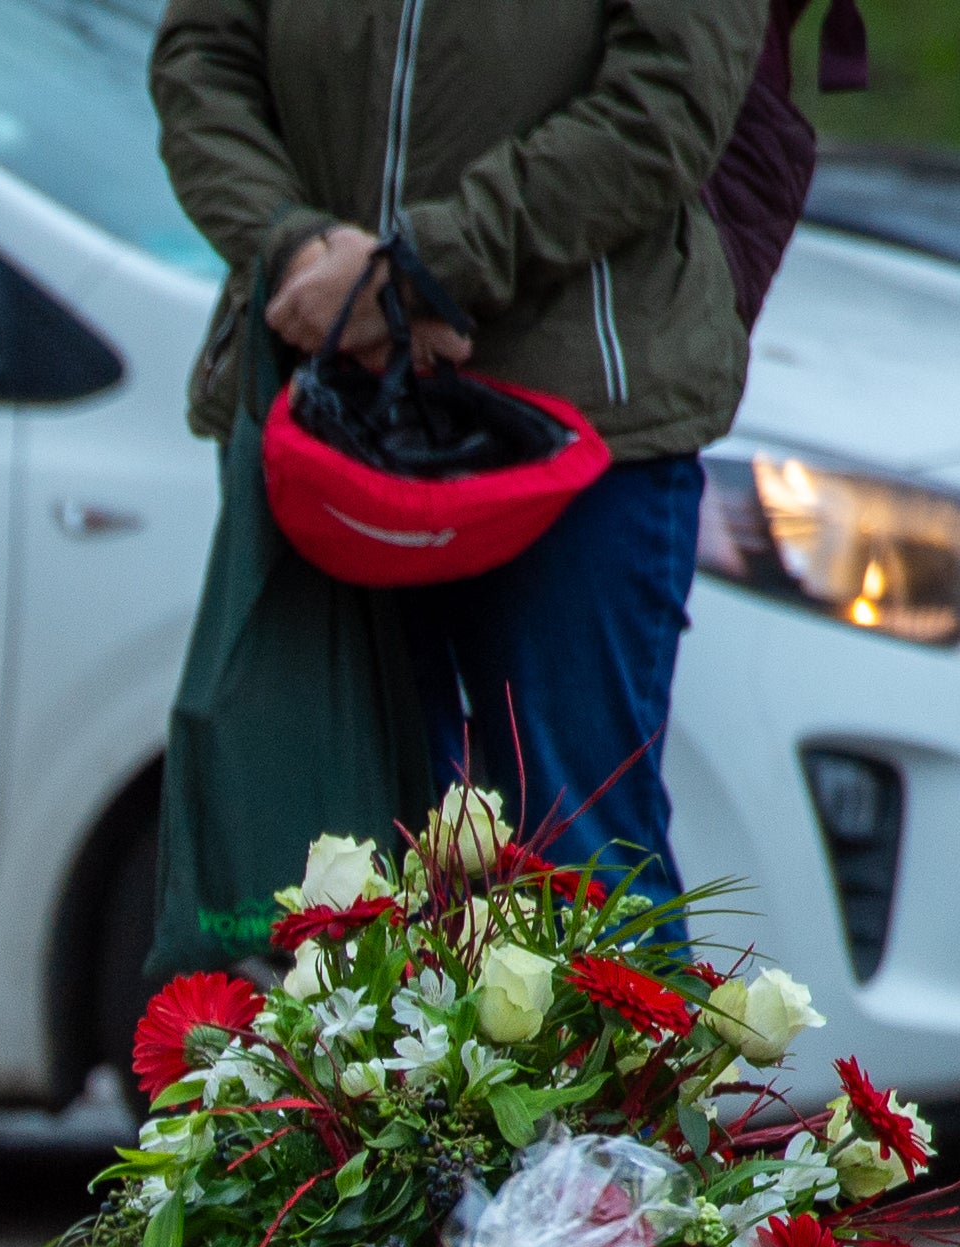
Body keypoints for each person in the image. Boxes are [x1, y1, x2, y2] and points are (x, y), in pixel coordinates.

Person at [151, 0, 770, 900]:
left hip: (580, 427)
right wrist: (298, 252)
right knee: (345, 877)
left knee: (579, 870)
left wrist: (418, 270)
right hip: (336, 413)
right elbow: (200, 60)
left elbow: (667, 99)